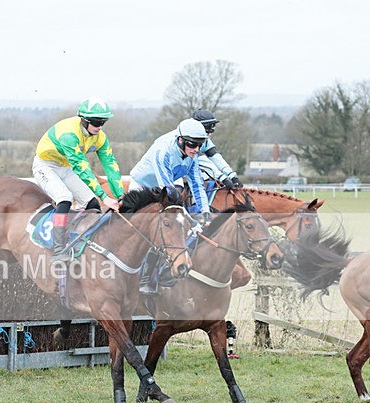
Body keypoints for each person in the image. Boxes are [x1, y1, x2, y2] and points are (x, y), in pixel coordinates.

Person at [33, 97, 125, 262]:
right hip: (46, 166)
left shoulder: (100, 137)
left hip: (65, 167)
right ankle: (58, 250)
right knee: (65, 198)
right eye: (96, 122)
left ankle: (78, 240)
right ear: (84, 120)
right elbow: (82, 168)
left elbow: (111, 166)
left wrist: (120, 196)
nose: (100, 127)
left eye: (103, 122)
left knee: (92, 204)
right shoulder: (69, 134)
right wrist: (104, 197)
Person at [129, 118, 209, 295]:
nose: (196, 149)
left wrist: (205, 212)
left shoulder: (192, 156)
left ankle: (165, 272)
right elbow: (167, 189)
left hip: (167, 184)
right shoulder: (163, 151)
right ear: (180, 140)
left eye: (200, 145)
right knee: (159, 227)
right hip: (144, 186)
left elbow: (197, 185)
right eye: (192, 144)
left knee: (176, 228)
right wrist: (186, 215)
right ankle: (142, 280)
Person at [192, 109, 243, 189]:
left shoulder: (205, 141)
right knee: (178, 189)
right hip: (173, 168)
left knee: (209, 183)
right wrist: (223, 178)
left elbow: (216, 157)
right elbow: (202, 160)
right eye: (208, 127)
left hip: (188, 167)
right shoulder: (190, 140)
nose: (210, 132)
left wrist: (232, 176)